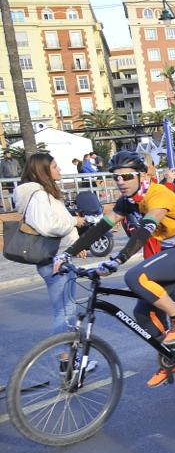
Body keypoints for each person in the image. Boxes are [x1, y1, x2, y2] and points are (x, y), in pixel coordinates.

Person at [53, 150, 175, 387]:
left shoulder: (158, 194)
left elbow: (146, 229)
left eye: (126, 177)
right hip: (171, 252)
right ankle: (172, 358)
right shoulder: (128, 201)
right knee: (143, 313)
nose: (120, 182)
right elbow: (102, 227)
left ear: (142, 176)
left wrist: (118, 259)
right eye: (116, 177)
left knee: (135, 276)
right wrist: (67, 254)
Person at [16, 153, 89, 369]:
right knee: (65, 313)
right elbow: (48, 226)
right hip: (54, 259)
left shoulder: (42, 193)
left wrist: (76, 244)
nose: (59, 170)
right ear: (43, 170)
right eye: (55, 167)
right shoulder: (39, 195)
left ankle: (69, 360)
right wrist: (74, 221)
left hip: (57, 256)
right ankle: (67, 361)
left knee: (65, 310)